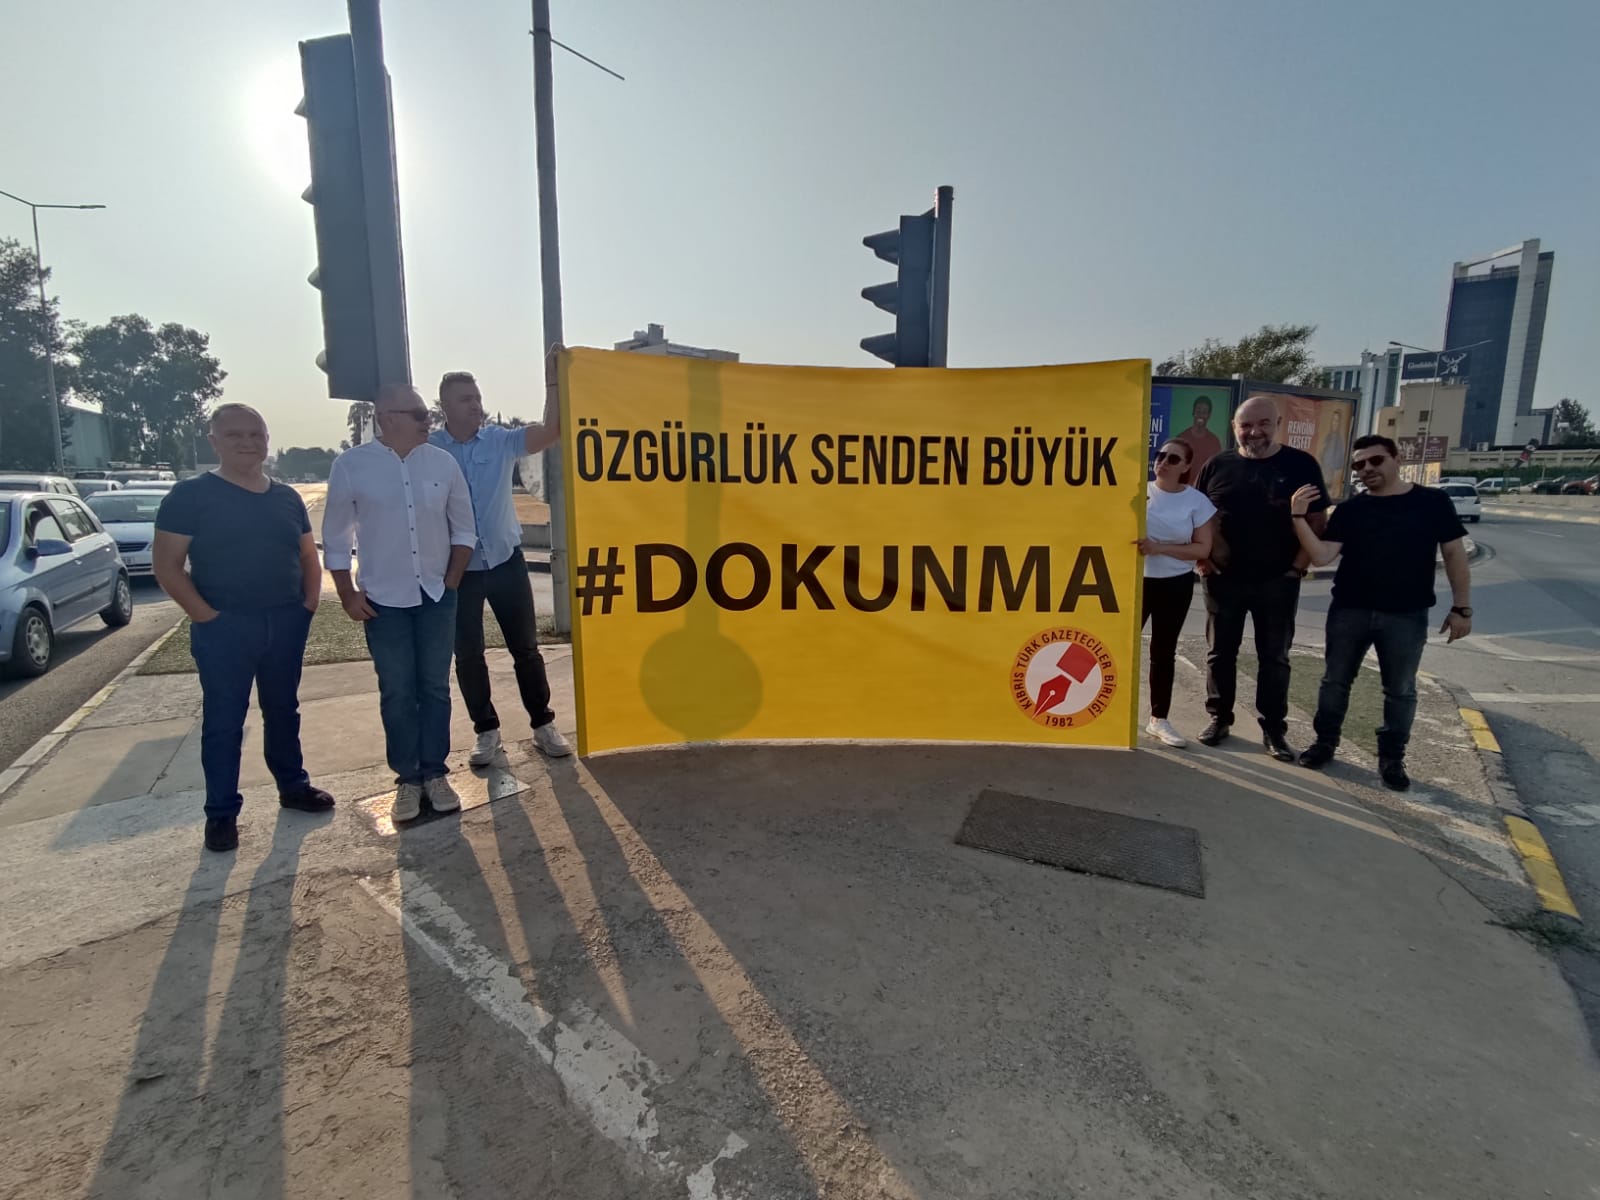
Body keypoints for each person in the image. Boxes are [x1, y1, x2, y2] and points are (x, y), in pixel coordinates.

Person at [152, 404, 332, 853]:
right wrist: (207, 617)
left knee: (283, 711)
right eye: (235, 435)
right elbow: (167, 567)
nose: (247, 442)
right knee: (224, 722)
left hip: (286, 621)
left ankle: (293, 787)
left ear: (267, 440)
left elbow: (307, 557)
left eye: (256, 434)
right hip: (224, 628)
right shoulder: (190, 496)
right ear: (214, 441)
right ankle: (221, 814)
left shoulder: (287, 498)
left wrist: (307, 605)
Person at [323, 383, 477, 822]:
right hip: (383, 601)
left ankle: (436, 773)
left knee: (434, 687)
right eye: (419, 414)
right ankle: (408, 780)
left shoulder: (443, 463)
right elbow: (336, 538)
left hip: (436, 596)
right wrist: (347, 593)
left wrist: (451, 580)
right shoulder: (352, 466)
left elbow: (464, 529)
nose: (429, 421)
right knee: (397, 690)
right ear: (387, 418)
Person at [1287, 435, 1472, 790]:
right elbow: (1322, 556)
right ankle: (1325, 743)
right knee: (1334, 682)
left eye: (1375, 460)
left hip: (1406, 615)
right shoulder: (1351, 510)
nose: (1367, 469)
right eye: (1359, 465)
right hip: (1349, 610)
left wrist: (1461, 608)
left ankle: (1392, 758)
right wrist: (1298, 517)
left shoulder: (1432, 502)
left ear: (1396, 458)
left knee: (1400, 690)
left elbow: (1454, 555)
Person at [430, 347, 573, 765]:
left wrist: (552, 381)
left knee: (526, 649)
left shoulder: (500, 440)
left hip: (506, 563)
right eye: (465, 399)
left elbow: (551, 430)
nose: (475, 405)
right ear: (445, 407)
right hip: (459, 570)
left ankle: (543, 725)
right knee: (468, 655)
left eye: (477, 397)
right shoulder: (429, 450)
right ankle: (486, 732)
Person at [1194, 395, 1330, 760]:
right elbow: (1197, 516)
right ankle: (1219, 718)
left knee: (1275, 658)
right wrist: (1203, 559)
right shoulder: (1216, 465)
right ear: (1234, 428)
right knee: (1220, 653)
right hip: (1223, 579)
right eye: (1246, 425)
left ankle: (1273, 730)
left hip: (1278, 580)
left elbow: (1317, 521)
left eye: (1263, 424)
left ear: (1278, 424)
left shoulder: (1301, 465)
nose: (1254, 432)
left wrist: (1296, 569)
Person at [1135, 440, 1217, 747]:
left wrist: (1159, 548)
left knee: (1162, 652)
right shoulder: (1138, 492)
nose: (1163, 462)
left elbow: (1202, 549)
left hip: (1175, 585)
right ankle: (1111, 713)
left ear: (1186, 466)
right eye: (1160, 455)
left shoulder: (1196, 502)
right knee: (1121, 648)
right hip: (1136, 583)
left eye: (1172, 458)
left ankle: (1159, 719)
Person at [1175, 395, 1224, 478]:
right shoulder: (1181, 438)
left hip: (1205, 485)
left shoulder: (1214, 442)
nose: (1201, 415)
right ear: (1193, 412)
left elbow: (1217, 470)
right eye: (1198, 411)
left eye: (1204, 412)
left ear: (1209, 415)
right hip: (1182, 485)